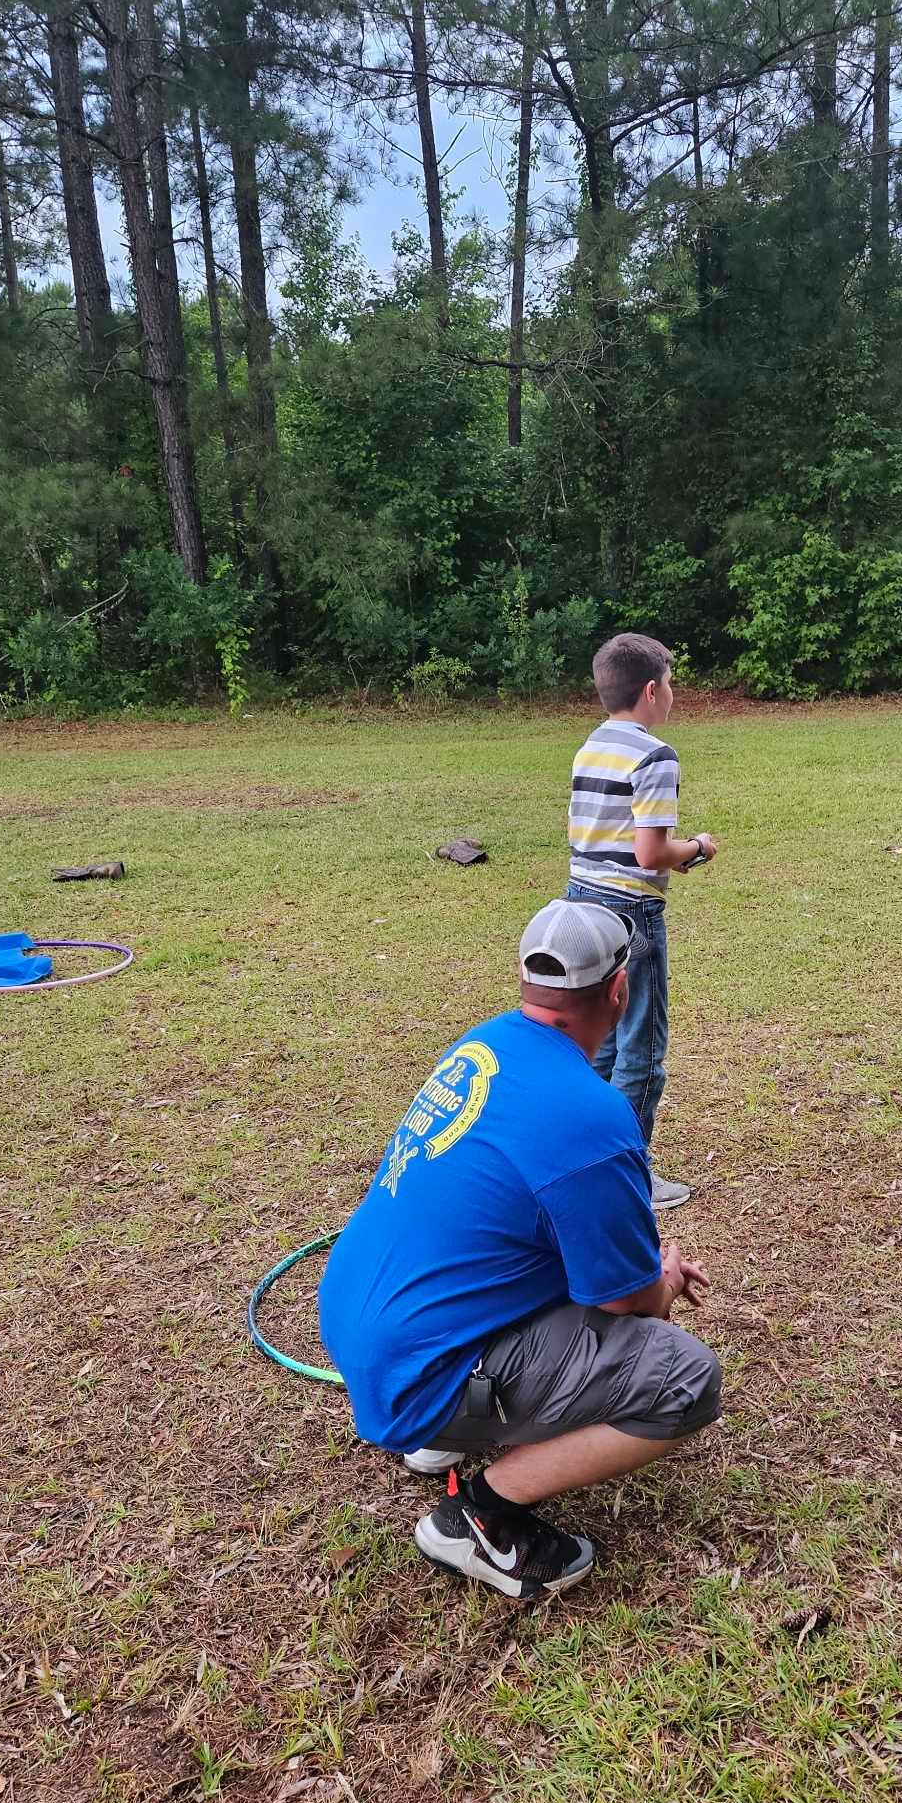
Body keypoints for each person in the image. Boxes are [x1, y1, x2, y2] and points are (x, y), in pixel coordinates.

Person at [318, 900, 723, 1600]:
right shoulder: (592, 1117)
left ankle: (443, 1429)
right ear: (619, 992)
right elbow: (627, 1302)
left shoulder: (482, 1045)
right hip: (421, 1364)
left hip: (362, 1321)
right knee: (684, 1378)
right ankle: (481, 1515)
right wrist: (662, 1279)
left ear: (527, 982)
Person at [566, 632, 718, 1210]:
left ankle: (582, 1159)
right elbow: (652, 854)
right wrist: (698, 847)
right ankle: (629, 1177)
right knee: (641, 1048)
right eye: (672, 683)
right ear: (652, 690)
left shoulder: (590, 747)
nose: (674, 694)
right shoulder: (656, 755)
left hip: (580, 900)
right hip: (631, 911)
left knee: (597, 1043)